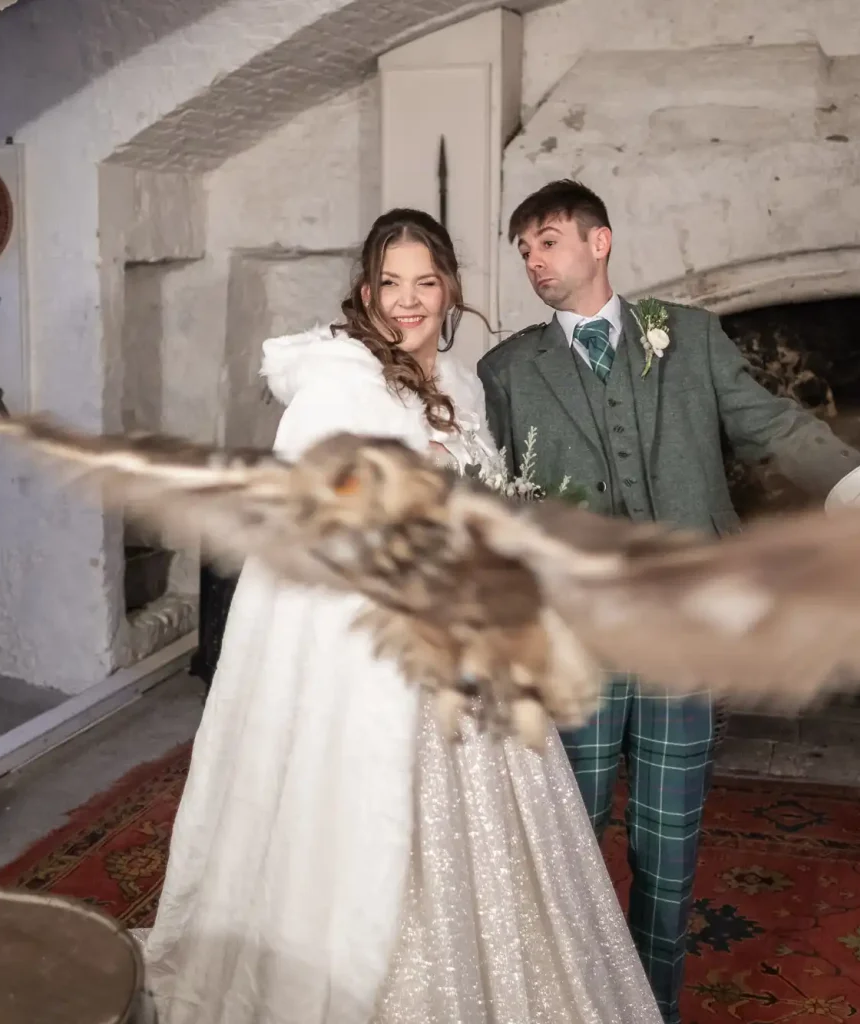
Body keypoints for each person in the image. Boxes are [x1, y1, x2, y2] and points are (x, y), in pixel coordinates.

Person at [138, 207, 665, 1024]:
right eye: (391, 283)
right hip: (372, 652)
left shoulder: (460, 382)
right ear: (366, 291)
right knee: (374, 833)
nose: (409, 301)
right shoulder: (337, 381)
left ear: (449, 287)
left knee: (494, 847)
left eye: (426, 282)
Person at [477, 179, 860, 1023]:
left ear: (598, 242)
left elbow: (775, 427)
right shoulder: (507, 370)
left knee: (669, 844)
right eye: (524, 249)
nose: (534, 260)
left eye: (548, 240)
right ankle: (567, 1002)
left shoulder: (688, 337)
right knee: (570, 841)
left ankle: (655, 1008)